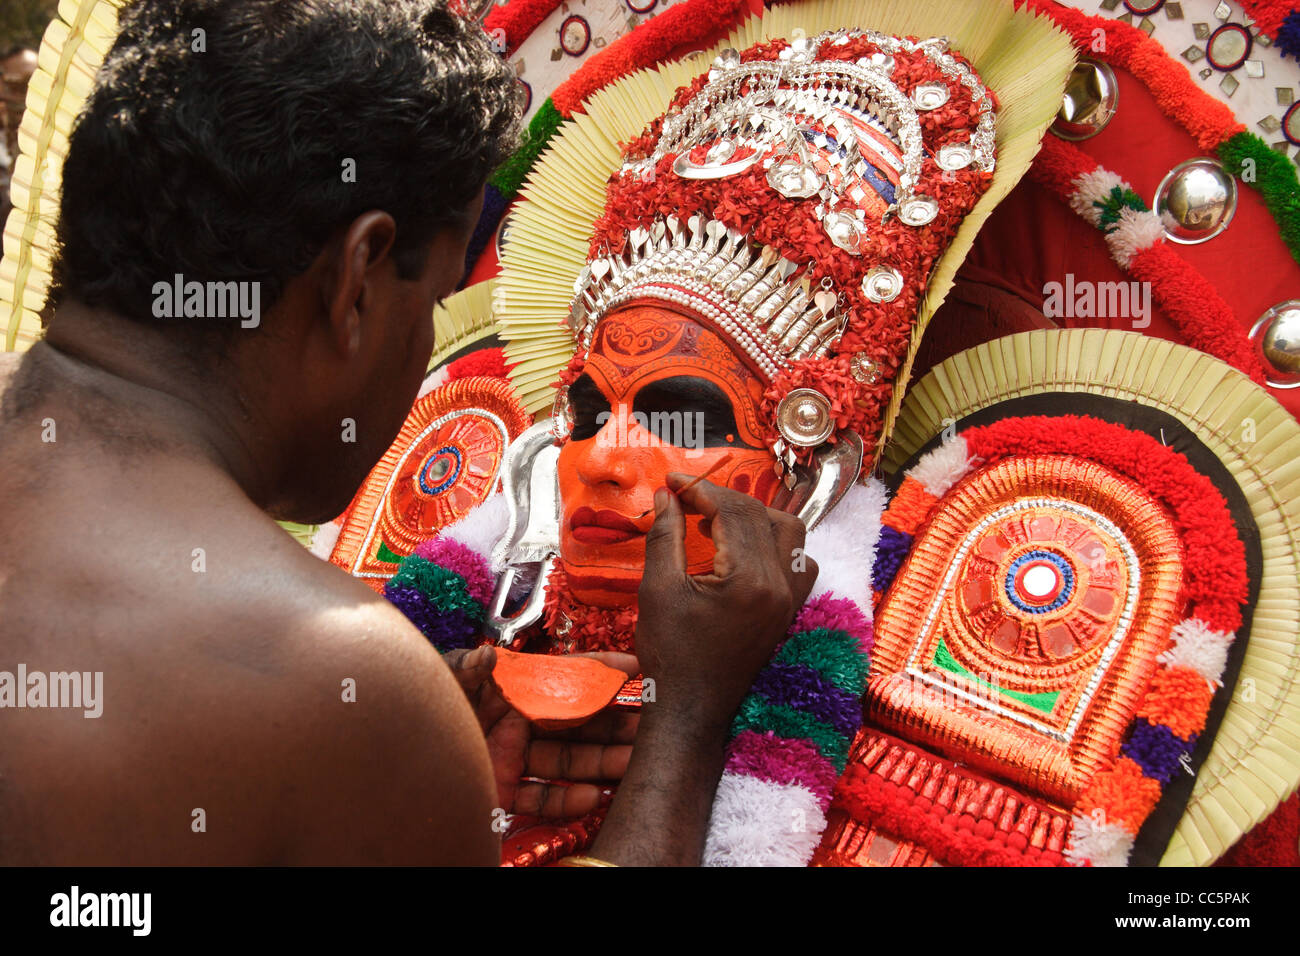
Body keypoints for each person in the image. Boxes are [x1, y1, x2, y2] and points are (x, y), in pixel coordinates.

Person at [0, 0, 812, 866]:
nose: (608, 459)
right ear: (357, 278)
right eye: (430, 303)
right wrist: (686, 721)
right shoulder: (330, 674)